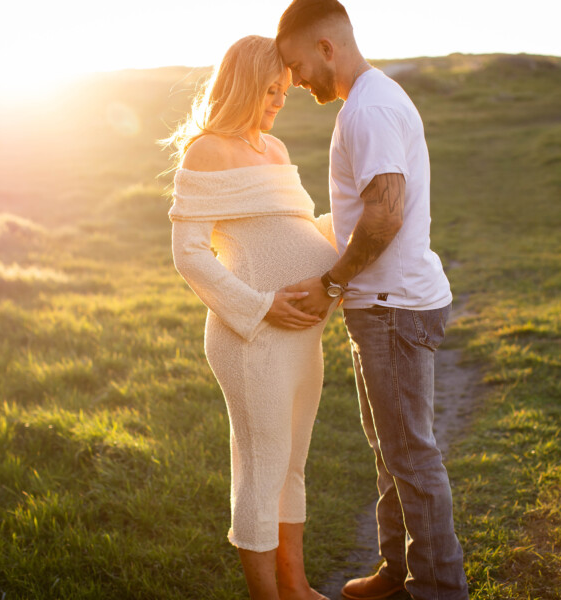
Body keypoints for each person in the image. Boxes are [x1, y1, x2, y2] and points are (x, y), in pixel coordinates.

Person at [275, 1, 469, 599]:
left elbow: (385, 215)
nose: (295, 79)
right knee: (391, 450)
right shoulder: (367, 102)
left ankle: (438, 588)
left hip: (394, 309)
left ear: (326, 47)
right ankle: (396, 570)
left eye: (296, 63)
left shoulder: (371, 108)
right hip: (383, 306)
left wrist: (332, 283)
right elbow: (366, 213)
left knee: (410, 455)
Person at [165, 35, 337, 600]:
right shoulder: (206, 151)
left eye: (283, 90)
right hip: (253, 335)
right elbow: (188, 253)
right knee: (262, 470)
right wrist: (260, 306)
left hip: (300, 335)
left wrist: (360, 228)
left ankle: (298, 588)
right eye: (269, 90)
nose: (279, 100)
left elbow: (300, 229)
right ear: (241, 85)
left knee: (292, 466)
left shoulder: (277, 149)